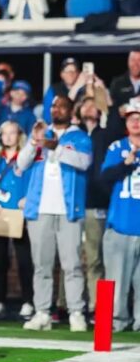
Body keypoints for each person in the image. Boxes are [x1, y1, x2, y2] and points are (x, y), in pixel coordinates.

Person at [17, 96, 92, 332]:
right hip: (40, 209)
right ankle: (42, 313)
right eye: (52, 106)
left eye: (61, 106)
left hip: (68, 210)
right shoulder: (42, 133)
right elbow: (21, 163)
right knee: (42, 265)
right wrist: (33, 141)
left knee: (72, 265)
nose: (55, 109)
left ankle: (76, 312)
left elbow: (84, 162)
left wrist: (55, 147)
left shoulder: (78, 136)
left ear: (71, 111)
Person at [0, 121, 34, 320]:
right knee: (0, 261)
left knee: (24, 261)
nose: (8, 137)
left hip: (21, 215)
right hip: (1, 215)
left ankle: (28, 301)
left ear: (19, 135)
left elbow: (33, 182)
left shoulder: (27, 160)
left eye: (12, 133)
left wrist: (28, 199)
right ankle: (0, 300)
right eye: (5, 133)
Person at [100, 99, 140, 332]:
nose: (136, 122)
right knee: (114, 281)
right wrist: (126, 165)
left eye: (139, 118)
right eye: (132, 117)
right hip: (121, 225)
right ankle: (112, 323)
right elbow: (103, 178)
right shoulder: (117, 147)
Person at [76, 97, 111, 319]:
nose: (90, 108)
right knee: (71, 258)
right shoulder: (73, 134)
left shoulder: (106, 135)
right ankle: (67, 305)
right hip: (71, 204)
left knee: (95, 257)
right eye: (85, 104)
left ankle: (97, 307)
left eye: (94, 105)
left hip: (96, 202)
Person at [107, 50, 140, 141]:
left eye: (139, 60)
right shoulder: (117, 82)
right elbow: (112, 105)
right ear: (128, 61)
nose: (136, 64)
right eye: (133, 60)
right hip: (120, 131)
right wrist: (120, 109)